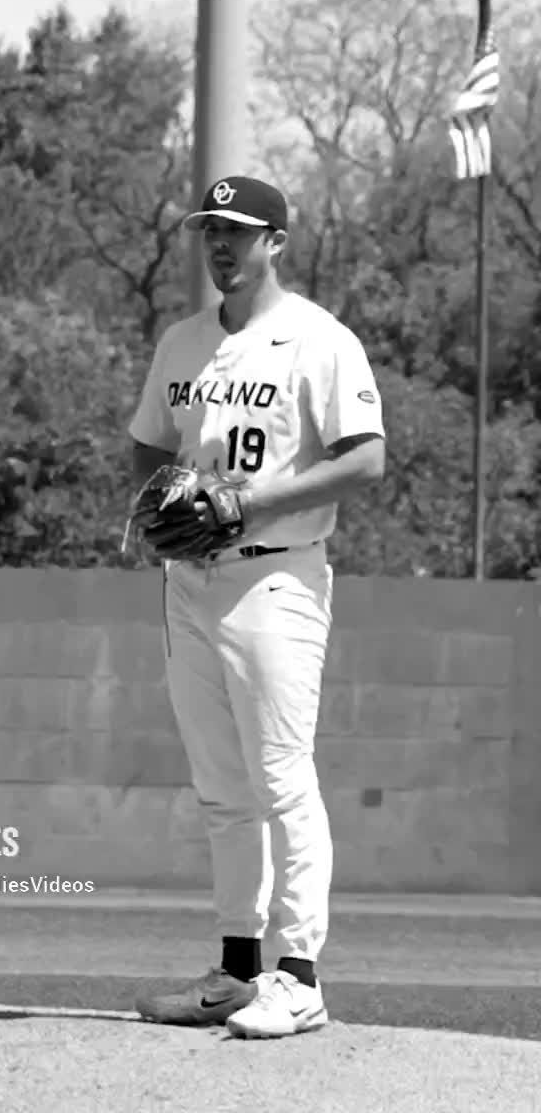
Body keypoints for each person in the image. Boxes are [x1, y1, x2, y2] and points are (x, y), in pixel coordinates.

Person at [127, 175, 385, 1039]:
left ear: (277, 239)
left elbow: (365, 460)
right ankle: (238, 969)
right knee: (220, 788)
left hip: (276, 574)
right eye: (211, 230)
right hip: (191, 581)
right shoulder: (185, 342)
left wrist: (252, 503)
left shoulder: (319, 340)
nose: (221, 245)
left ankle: (300, 975)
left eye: (239, 230)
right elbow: (146, 448)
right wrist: (165, 503)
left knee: (281, 779)